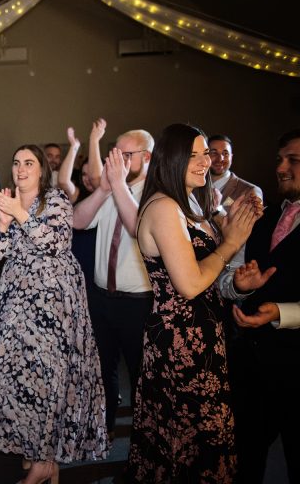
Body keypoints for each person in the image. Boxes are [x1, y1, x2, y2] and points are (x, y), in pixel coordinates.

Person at [127, 123, 261, 482]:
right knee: (190, 442)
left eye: (208, 153)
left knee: (203, 439)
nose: (208, 161)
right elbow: (188, 285)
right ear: (171, 159)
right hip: (181, 343)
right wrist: (230, 244)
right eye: (196, 155)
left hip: (201, 337)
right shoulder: (163, 207)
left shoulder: (188, 202)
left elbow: (207, 272)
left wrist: (237, 282)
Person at [0, 144, 108, 484]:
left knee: (48, 376)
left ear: (40, 169)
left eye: (29, 163)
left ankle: (45, 460)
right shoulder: (6, 199)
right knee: (21, 373)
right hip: (17, 299)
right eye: (16, 162)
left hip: (53, 302)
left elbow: (54, 244)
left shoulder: (57, 200)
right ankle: (32, 447)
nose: (21, 169)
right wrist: (2, 224)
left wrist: (19, 214)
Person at [222, 129, 300, 483]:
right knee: (245, 455)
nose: (281, 168)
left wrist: (281, 313)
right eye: (280, 159)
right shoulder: (262, 217)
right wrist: (238, 287)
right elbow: (228, 278)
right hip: (251, 364)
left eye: (294, 160)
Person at [72, 128, 155, 439]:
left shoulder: (157, 195)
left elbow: (138, 230)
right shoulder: (110, 189)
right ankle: (103, 429)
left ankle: (143, 440)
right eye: (115, 154)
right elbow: (78, 221)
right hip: (101, 297)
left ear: (147, 158)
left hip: (139, 302)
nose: (117, 161)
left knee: (140, 372)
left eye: (126, 155)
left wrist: (118, 187)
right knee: (102, 366)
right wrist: (104, 190)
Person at [208, 134, 263, 214]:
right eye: (214, 153)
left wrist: (216, 210)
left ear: (231, 157)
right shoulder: (193, 186)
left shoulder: (250, 191)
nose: (220, 159)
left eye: (225, 153)